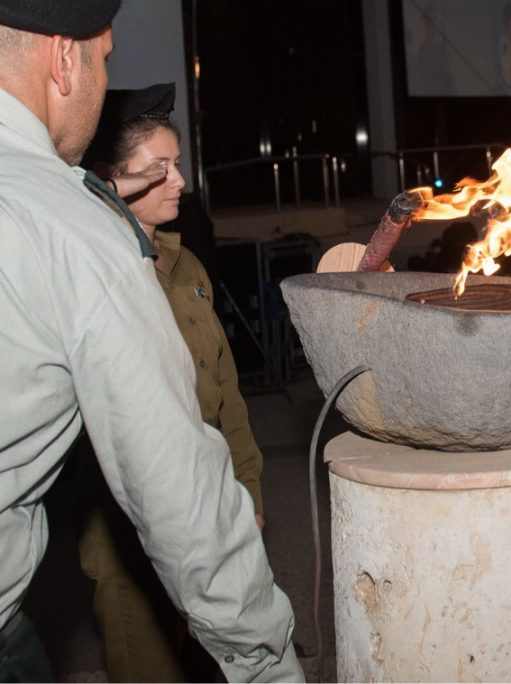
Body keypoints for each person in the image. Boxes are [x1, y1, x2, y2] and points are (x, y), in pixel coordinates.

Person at [0, 2, 302, 681]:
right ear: (62, 57)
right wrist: (265, 660)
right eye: (103, 57)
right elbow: (177, 490)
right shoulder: (73, 233)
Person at [73, 83, 267, 682]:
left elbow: (225, 391)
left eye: (177, 164)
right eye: (159, 168)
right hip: (134, 528)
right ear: (112, 181)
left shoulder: (187, 267)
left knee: (216, 661)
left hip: (212, 505)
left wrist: (249, 493)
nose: (179, 180)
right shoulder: (97, 278)